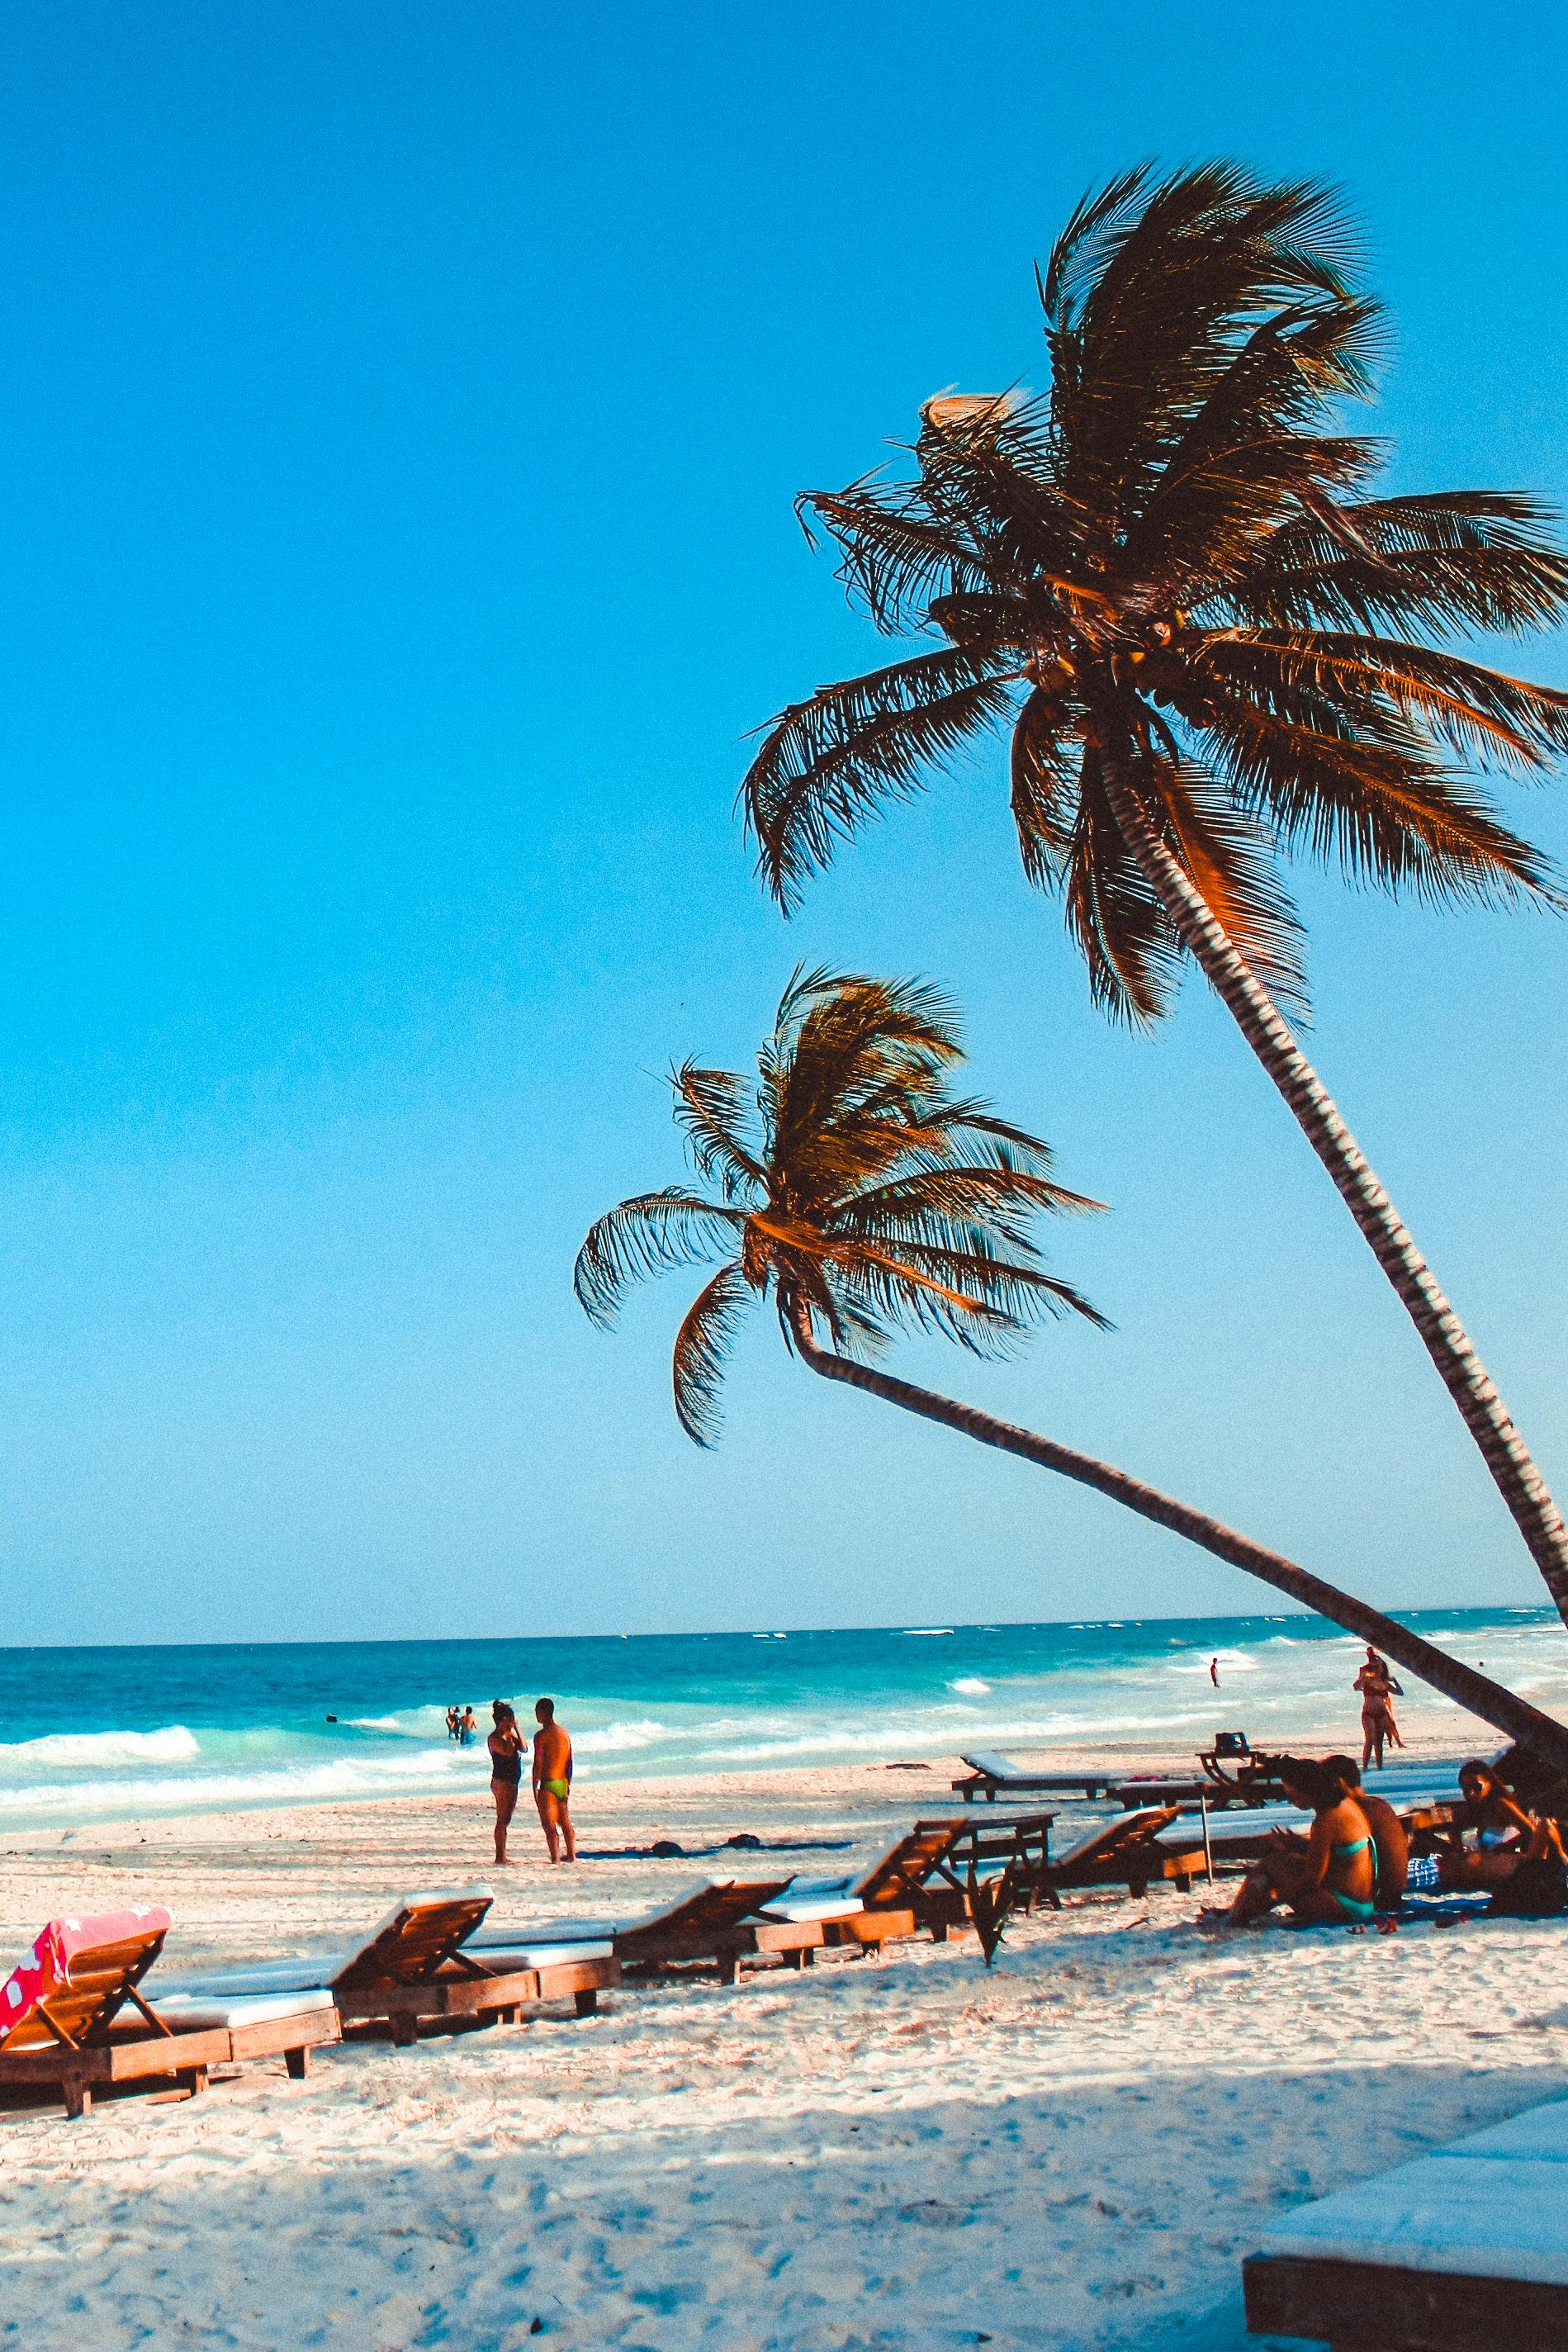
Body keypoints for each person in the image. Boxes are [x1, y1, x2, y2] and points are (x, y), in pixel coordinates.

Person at [1213, 1756, 1376, 1929]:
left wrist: (1273, 1897)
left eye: (1293, 1795)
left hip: (1346, 1907)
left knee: (1270, 1866)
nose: (1290, 1801)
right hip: (1360, 1903)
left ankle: (1237, 1916)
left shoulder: (1326, 1820)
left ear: (1308, 1791)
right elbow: (1336, 1857)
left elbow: (1312, 1880)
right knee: (1275, 1863)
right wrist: (1298, 1845)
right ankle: (1238, 1911)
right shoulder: (1344, 1805)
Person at [1324, 1754, 1408, 1924]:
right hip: (1393, 1893)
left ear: (1339, 1783)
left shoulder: (1354, 1812)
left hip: (1378, 1897)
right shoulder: (1379, 1804)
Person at [532, 1696, 576, 1864]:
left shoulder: (541, 1736)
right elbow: (569, 1761)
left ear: (543, 1712)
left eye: (537, 1712)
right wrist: (568, 1783)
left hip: (548, 1783)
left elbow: (539, 1762)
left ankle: (555, 1858)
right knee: (564, 1821)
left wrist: (535, 1785)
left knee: (549, 1824)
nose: (536, 1715)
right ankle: (571, 1854)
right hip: (562, 1782)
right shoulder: (564, 1734)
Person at [487, 1700, 526, 1865]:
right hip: (502, 1781)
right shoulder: (495, 1738)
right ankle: (500, 1856)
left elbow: (524, 1748)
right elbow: (509, 1753)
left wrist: (517, 1729)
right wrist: (510, 1734)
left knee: (506, 1818)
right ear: (502, 1720)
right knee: (502, 1819)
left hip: (511, 1781)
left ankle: (502, 1854)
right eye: (509, 1720)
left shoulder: (510, 1735)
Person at [1354, 1648, 1404, 1769]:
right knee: (1369, 1740)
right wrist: (1362, 1677)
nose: (1378, 1669)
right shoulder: (1367, 1681)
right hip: (1368, 1713)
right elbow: (1356, 1687)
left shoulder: (1385, 1684)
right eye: (1376, 1667)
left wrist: (1395, 1680)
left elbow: (1400, 1693)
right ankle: (1365, 1767)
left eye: (1379, 1667)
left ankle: (1379, 1767)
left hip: (1381, 1713)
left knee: (1379, 1743)